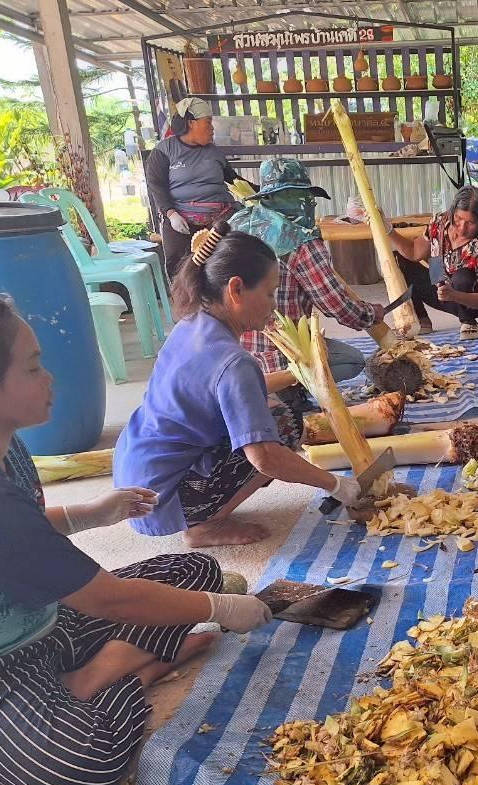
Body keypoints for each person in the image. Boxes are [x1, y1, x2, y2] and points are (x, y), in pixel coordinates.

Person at [0, 291, 272, 785]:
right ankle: (114, 672)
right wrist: (222, 611)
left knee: (193, 568)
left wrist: (91, 514)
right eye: (33, 367)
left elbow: (23, 535)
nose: (49, 377)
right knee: (82, 765)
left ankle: (109, 670)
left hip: (30, 620)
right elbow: (109, 601)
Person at [113, 221, 365, 548]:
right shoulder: (234, 362)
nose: (275, 304)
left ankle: (206, 509)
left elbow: (229, 390)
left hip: (137, 478)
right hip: (161, 500)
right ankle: (204, 525)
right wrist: (338, 486)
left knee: (268, 412)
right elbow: (265, 458)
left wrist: (296, 374)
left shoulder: (191, 324)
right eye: (270, 293)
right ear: (235, 289)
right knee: (282, 427)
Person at [230, 158, 384, 406]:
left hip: (232, 353)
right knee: (353, 360)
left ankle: (263, 386)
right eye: (299, 196)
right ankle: (286, 386)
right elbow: (336, 305)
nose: (307, 204)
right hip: (280, 355)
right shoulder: (299, 240)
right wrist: (370, 313)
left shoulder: (236, 224)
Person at [144, 97, 252, 277]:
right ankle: (185, 302)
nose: (212, 128)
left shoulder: (214, 151)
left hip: (220, 217)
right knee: (178, 265)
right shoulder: (164, 151)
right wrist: (171, 214)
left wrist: (259, 190)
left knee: (232, 260)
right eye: (208, 122)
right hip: (181, 220)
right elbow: (156, 185)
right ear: (191, 123)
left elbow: (233, 180)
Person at [386, 184, 478, 338]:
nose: (462, 227)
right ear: (452, 211)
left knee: (463, 276)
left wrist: (453, 295)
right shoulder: (439, 222)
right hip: (442, 288)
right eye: (458, 218)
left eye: (471, 223)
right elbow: (413, 252)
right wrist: (387, 229)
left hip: (471, 303)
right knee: (401, 260)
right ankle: (422, 319)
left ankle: (468, 323)